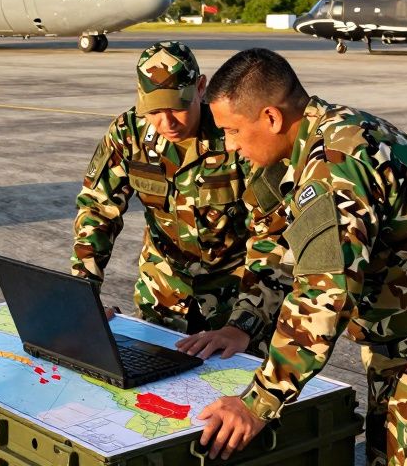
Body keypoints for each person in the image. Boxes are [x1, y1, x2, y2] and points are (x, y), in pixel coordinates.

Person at [196, 48, 407, 465]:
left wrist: (257, 403)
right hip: (405, 348)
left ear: (271, 117)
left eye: (232, 131)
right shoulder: (308, 146)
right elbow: (274, 243)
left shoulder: (338, 161)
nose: (230, 146)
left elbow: (325, 292)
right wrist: (244, 325)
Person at [72, 41, 275, 358]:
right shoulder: (129, 134)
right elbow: (97, 212)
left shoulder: (234, 134)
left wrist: (245, 324)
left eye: (178, 107)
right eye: (154, 110)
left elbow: (272, 233)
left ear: (201, 87)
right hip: (162, 296)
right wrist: (83, 295)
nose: (167, 122)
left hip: (235, 300)